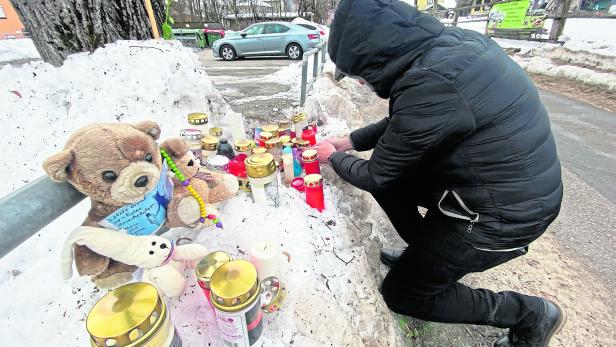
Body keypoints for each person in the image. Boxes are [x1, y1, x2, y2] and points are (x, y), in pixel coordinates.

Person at [314, 0, 565, 346]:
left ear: (375, 55)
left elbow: (376, 175)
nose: (360, 83)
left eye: (359, 73)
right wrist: (351, 140)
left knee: (403, 292)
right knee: (396, 182)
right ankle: (426, 256)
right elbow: (403, 122)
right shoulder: (448, 49)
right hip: (505, 188)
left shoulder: (431, 82)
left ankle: (529, 313)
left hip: (504, 216)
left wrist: (332, 157)